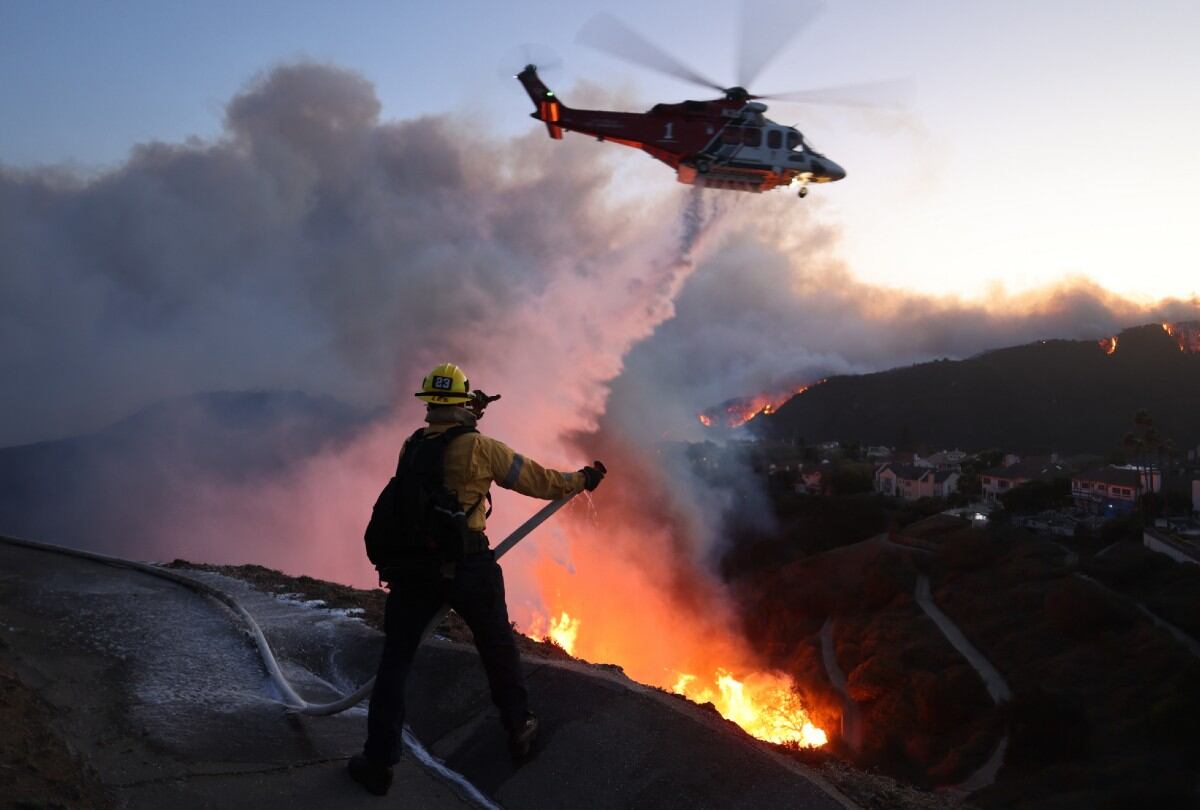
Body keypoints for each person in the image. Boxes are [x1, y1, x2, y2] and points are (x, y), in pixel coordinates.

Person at [349, 363, 606, 796]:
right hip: (468, 567)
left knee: (395, 664)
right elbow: (540, 481)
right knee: (497, 647)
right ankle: (519, 726)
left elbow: (438, 461)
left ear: (429, 402)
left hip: (415, 572)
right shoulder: (481, 448)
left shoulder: (411, 445)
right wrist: (583, 479)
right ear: (464, 402)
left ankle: (377, 764)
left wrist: (469, 414)